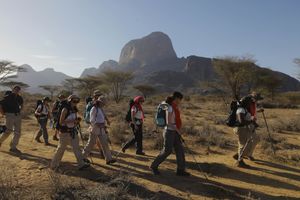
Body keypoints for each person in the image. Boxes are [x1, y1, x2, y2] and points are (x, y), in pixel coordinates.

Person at [150, 92, 190, 176]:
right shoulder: (170, 108)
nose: (180, 101)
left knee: (180, 150)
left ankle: (180, 170)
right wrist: (177, 130)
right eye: (180, 99)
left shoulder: (174, 107)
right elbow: (168, 122)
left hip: (174, 131)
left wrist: (177, 130)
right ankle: (154, 166)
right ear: (176, 98)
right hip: (169, 132)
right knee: (167, 151)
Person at [50, 95, 90, 170]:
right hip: (64, 132)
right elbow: (61, 122)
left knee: (77, 148)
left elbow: (73, 119)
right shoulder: (65, 109)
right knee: (61, 149)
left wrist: (77, 121)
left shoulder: (74, 109)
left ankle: (81, 164)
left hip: (73, 131)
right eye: (74, 101)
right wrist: (73, 121)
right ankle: (54, 165)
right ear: (70, 101)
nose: (75, 102)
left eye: (77, 101)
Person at [82, 96, 116, 165]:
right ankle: (83, 157)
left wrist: (104, 124)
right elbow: (91, 120)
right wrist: (99, 124)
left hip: (101, 129)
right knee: (91, 143)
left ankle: (109, 159)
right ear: (99, 102)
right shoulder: (94, 109)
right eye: (102, 103)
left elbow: (102, 118)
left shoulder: (100, 109)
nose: (103, 104)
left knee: (105, 143)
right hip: (95, 128)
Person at [233, 95, 258, 168]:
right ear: (246, 102)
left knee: (244, 145)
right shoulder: (241, 110)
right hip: (241, 129)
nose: (251, 103)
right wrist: (251, 121)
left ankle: (239, 157)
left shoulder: (244, 109)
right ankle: (239, 161)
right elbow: (241, 121)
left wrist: (253, 123)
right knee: (244, 145)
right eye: (250, 102)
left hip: (243, 128)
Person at [0, 86, 24, 154]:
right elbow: (1, 104)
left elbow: (22, 104)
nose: (17, 90)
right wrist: (2, 113)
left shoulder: (19, 97)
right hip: (9, 115)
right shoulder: (8, 96)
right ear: (13, 90)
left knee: (17, 132)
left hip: (17, 115)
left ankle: (13, 147)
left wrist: (20, 109)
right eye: (16, 89)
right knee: (8, 131)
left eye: (18, 89)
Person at [84, 90, 105, 159]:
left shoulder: (97, 102)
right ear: (94, 96)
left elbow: (101, 111)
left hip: (95, 122)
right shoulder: (92, 103)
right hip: (93, 122)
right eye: (97, 95)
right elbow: (91, 114)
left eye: (99, 95)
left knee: (94, 138)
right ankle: (101, 151)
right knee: (94, 138)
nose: (99, 96)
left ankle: (98, 151)